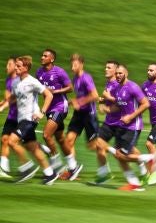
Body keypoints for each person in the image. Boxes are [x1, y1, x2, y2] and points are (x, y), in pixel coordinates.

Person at [7, 55, 59, 185]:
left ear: (26, 68)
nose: (16, 68)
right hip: (21, 119)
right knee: (33, 148)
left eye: (19, 66)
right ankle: (50, 173)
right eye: (16, 65)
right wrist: (3, 105)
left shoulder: (32, 81)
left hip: (30, 119)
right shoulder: (15, 82)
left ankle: (26, 168)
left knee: (11, 141)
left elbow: (49, 95)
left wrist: (42, 112)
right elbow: (13, 97)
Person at [103, 65, 155, 191]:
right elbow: (119, 105)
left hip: (133, 126)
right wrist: (108, 109)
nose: (118, 75)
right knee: (118, 155)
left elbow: (146, 104)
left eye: (120, 73)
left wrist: (130, 117)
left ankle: (148, 158)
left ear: (126, 73)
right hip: (122, 125)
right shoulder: (118, 89)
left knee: (120, 155)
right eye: (117, 74)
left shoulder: (133, 87)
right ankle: (134, 183)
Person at [61, 53, 99, 181]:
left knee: (93, 146)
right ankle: (73, 169)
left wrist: (80, 102)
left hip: (89, 115)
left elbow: (94, 95)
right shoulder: (75, 78)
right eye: (71, 64)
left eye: (75, 64)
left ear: (81, 64)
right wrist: (74, 101)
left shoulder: (85, 78)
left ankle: (119, 153)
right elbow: (82, 95)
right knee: (68, 141)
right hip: (79, 115)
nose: (72, 66)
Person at [36, 49, 73, 174]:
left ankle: (57, 167)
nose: (42, 57)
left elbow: (70, 88)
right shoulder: (39, 73)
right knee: (60, 139)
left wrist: (55, 92)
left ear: (51, 59)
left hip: (60, 106)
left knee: (46, 135)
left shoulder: (59, 72)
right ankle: (73, 167)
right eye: (42, 55)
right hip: (49, 109)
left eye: (45, 56)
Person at [93, 60, 120, 184]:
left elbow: (121, 104)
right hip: (109, 122)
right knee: (98, 143)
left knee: (126, 152)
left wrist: (106, 105)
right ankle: (104, 174)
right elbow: (105, 104)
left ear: (115, 71)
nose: (105, 69)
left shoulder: (117, 85)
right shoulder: (108, 83)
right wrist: (102, 101)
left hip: (121, 123)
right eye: (105, 67)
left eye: (109, 67)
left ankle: (144, 165)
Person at [0, 57, 19, 178]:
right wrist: (2, 103)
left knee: (24, 143)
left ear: (16, 66)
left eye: (9, 64)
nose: (7, 66)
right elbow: (8, 98)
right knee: (5, 140)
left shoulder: (19, 81)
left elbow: (15, 99)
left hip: (22, 117)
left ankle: (44, 149)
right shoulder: (8, 80)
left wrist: (2, 107)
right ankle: (3, 170)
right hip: (12, 116)